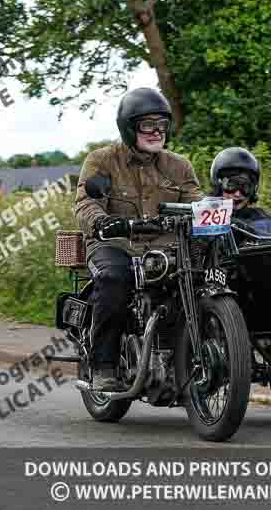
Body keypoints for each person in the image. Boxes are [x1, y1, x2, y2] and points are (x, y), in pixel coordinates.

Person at [74, 87, 203, 391]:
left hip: (167, 249)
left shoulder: (179, 166)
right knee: (115, 279)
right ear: (129, 127)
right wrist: (102, 221)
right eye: (148, 125)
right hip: (114, 245)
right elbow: (85, 202)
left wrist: (213, 216)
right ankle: (103, 365)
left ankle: (193, 353)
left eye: (162, 125)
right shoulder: (103, 161)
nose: (157, 132)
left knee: (204, 277)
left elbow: (196, 204)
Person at [209, 147, 270, 224]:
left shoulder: (260, 218)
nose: (237, 194)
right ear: (218, 184)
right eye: (231, 185)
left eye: (245, 187)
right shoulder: (201, 212)